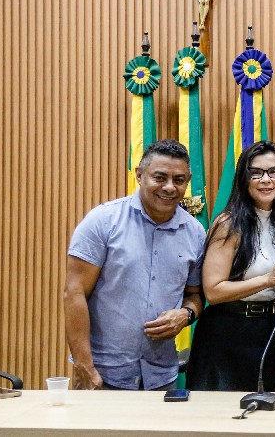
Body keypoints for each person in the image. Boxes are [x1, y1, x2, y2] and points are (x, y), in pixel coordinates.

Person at [63, 139, 206, 390]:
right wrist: (84, 366)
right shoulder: (103, 221)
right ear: (139, 175)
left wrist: (186, 314)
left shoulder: (195, 232)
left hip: (162, 377)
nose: (169, 187)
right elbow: (74, 293)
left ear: (188, 180)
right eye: (159, 177)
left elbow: (195, 295)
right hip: (102, 376)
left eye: (179, 180)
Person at [186, 141, 275, 391]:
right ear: (243, 178)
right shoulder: (228, 223)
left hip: (265, 328)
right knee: (222, 412)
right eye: (256, 172)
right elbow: (213, 291)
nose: (266, 180)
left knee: (267, 409)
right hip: (225, 332)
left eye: (273, 172)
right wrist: (268, 280)